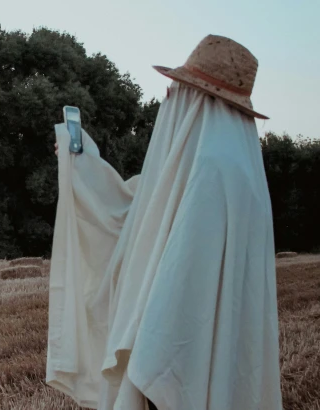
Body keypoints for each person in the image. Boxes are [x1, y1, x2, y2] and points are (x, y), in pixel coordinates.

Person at [46, 35, 282, 409]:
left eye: (179, 88)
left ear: (198, 98)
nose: (169, 95)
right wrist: (81, 164)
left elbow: (174, 304)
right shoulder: (240, 172)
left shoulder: (210, 173)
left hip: (170, 374)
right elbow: (138, 212)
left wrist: (149, 369)